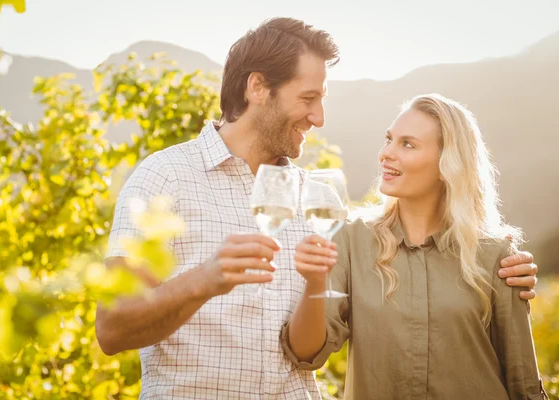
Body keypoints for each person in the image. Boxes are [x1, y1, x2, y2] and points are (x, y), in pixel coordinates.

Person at [95, 17, 539, 399]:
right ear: (257, 88)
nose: (319, 117)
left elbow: (391, 279)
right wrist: (205, 280)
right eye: (308, 98)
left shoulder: (322, 201)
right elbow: (112, 330)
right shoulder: (164, 179)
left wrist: (500, 265)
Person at [283, 93, 548, 399]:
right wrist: (315, 282)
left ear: (446, 163)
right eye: (389, 139)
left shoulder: (495, 255)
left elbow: (524, 383)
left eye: (407, 144)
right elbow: (306, 353)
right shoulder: (350, 240)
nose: (386, 154)